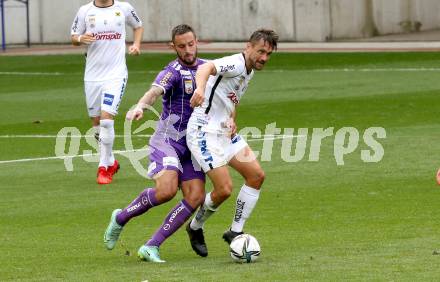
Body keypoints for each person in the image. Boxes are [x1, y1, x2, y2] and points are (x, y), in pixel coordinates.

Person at [103, 24, 207, 263]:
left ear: (196, 41)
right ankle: (120, 218)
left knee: (196, 196)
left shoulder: (206, 68)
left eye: (191, 44)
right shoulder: (173, 71)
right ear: (173, 47)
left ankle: (152, 246)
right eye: (182, 46)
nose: (188, 50)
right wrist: (140, 105)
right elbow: (155, 91)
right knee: (167, 191)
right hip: (168, 140)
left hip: (193, 144)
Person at [185, 29, 279, 255]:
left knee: (256, 176)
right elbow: (205, 68)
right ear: (249, 47)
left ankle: (235, 231)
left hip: (224, 132)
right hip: (203, 132)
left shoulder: (249, 71)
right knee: (224, 189)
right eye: (261, 51)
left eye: (268, 54)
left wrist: (231, 119)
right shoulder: (236, 63)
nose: (264, 57)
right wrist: (199, 88)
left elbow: (230, 100)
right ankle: (195, 226)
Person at [71, 0, 144, 184]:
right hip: (92, 76)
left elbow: (138, 25)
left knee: (105, 120)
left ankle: (103, 168)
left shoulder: (124, 8)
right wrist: (80, 39)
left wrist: (136, 45)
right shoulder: (85, 11)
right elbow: (73, 36)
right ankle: (111, 160)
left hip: (115, 75)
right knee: (96, 122)